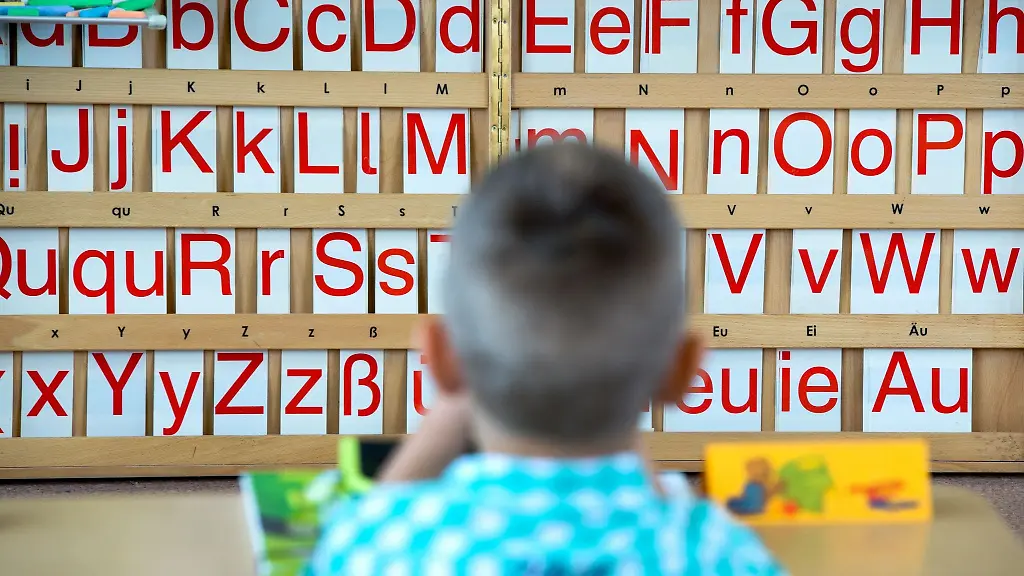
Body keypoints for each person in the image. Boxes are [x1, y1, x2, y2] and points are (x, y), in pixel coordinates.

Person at [306, 143, 787, 575]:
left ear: (440, 360)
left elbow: (368, 525)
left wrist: (460, 386)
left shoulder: (375, 548)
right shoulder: (723, 554)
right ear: (683, 371)